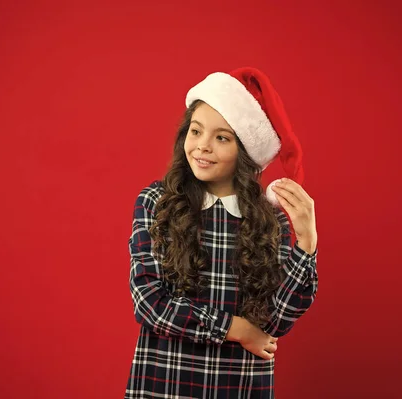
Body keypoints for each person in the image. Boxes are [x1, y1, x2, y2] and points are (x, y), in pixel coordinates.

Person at [125, 67, 319, 399]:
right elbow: (151, 304)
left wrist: (307, 243)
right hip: (164, 384)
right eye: (196, 131)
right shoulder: (156, 203)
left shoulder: (271, 220)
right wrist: (238, 329)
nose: (202, 147)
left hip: (240, 386)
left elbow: (276, 322)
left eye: (222, 138)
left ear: (244, 152)